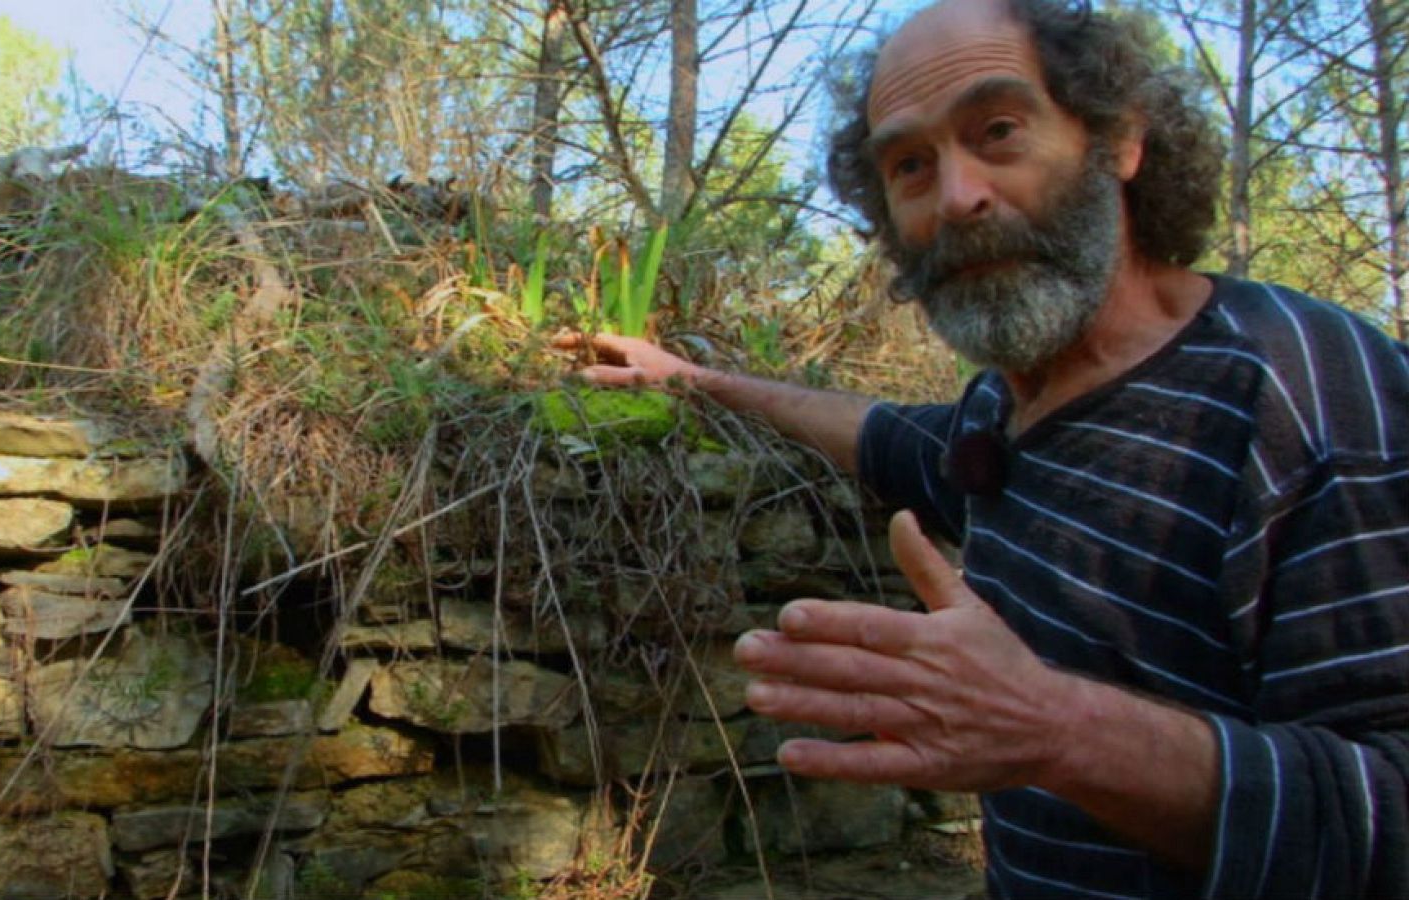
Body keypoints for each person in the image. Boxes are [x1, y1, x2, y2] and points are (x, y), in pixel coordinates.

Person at [561, 0, 1409, 896]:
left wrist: (1058, 730)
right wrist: (697, 382)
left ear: (1119, 140)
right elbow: (893, 440)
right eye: (910, 165)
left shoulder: (1313, 399)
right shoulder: (1004, 412)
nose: (957, 198)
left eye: (998, 130)